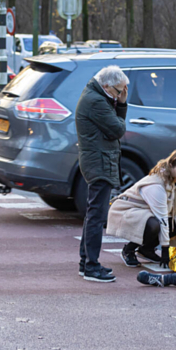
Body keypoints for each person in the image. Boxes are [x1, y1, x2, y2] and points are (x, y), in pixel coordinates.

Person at [75, 65, 129, 283]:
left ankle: (85, 262)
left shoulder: (95, 95)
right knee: (97, 216)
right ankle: (91, 266)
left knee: (93, 214)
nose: (119, 95)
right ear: (106, 86)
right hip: (99, 161)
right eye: (118, 91)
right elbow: (117, 129)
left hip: (98, 160)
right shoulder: (97, 101)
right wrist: (122, 105)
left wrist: (118, 100)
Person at [107, 149, 176, 268]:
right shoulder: (156, 185)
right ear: (171, 166)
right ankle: (128, 250)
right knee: (154, 225)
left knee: (174, 224)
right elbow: (162, 217)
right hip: (126, 211)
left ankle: (146, 250)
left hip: (144, 211)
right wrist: (164, 249)